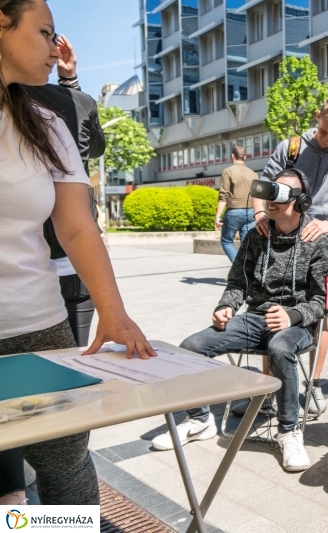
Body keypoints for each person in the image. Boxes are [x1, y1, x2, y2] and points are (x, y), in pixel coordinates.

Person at [0, 0, 154, 506]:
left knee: (66, 468)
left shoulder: (46, 122)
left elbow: (76, 226)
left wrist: (113, 311)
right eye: (44, 32)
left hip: (37, 326)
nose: (54, 47)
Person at [151, 170, 328, 472]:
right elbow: (237, 283)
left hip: (297, 324)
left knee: (280, 349)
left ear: (299, 201)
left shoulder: (315, 240)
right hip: (254, 317)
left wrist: (293, 315)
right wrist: (226, 306)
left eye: (279, 194)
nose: (269, 201)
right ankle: (198, 419)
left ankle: (289, 431)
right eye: (269, 192)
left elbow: (326, 300)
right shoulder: (256, 235)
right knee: (191, 346)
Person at [252, 95, 328, 418]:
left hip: (321, 246)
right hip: (280, 243)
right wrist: (260, 215)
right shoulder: (290, 148)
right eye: (326, 131)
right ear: (318, 116)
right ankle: (269, 387)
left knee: (320, 315)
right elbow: (261, 185)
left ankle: (313, 385)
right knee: (270, 310)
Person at [25, 34, 105, 348]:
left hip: (30, 260)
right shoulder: (79, 103)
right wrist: (69, 81)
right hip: (80, 254)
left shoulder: (15, 101)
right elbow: (96, 147)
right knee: (78, 356)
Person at [215, 145, 258, 262]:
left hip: (234, 212)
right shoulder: (253, 173)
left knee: (226, 241)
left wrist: (218, 216)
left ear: (232, 156)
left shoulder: (228, 171)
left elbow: (223, 195)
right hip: (250, 212)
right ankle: (247, 274)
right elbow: (257, 196)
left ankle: (239, 269)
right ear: (245, 157)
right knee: (246, 245)